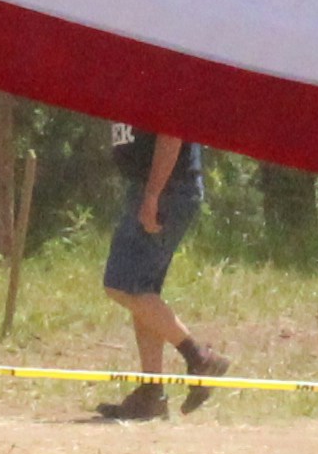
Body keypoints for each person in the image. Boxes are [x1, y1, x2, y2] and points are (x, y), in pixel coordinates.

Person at [91, 124, 227, 419]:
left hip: (167, 188)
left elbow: (172, 130)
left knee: (122, 285)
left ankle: (199, 358)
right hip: (151, 187)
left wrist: (153, 195)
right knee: (142, 290)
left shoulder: (159, 79)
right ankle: (152, 393)